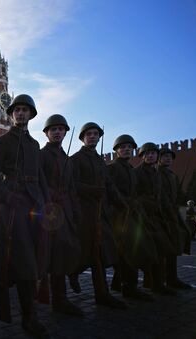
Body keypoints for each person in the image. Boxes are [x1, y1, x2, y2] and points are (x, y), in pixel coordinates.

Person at [0, 94, 49, 335]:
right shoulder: (2, 143)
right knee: (25, 263)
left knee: (32, 258)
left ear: (31, 114)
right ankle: (28, 318)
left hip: (34, 209)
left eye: (25, 110)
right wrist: (6, 197)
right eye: (17, 110)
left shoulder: (34, 146)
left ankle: (2, 283)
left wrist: (46, 204)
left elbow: (40, 178)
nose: (21, 114)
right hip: (12, 209)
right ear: (11, 114)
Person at [70, 123, 127, 309]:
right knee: (88, 252)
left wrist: (122, 203)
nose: (92, 137)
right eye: (89, 134)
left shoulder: (99, 160)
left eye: (95, 134)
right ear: (82, 137)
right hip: (85, 214)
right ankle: (76, 274)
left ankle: (101, 293)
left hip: (100, 213)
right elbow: (72, 185)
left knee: (101, 252)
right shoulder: (76, 159)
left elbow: (108, 185)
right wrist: (92, 190)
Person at [39, 114, 83, 315]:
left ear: (65, 132)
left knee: (65, 252)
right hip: (49, 213)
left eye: (60, 129)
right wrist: (50, 195)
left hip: (65, 210)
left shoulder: (67, 159)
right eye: (53, 129)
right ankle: (58, 298)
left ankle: (60, 296)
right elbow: (38, 183)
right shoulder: (42, 156)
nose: (57, 132)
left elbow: (71, 188)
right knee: (54, 255)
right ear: (47, 133)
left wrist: (74, 211)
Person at [107, 135, 157, 301]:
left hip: (132, 213)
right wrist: (124, 201)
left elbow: (135, 192)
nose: (126, 149)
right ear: (116, 150)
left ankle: (124, 284)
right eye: (122, 147)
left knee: (134, 249)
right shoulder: (112, 168)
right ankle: (128, 287)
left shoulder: (130, 169)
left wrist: (135, 202)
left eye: (129, 147)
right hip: (119, 215)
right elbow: (110, 190)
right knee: (128, 250)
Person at [134, 142, 178, 296]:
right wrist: (145, 206)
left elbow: (161, 196)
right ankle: (153, 283)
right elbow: (135, 195)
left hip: (157, 216)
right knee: (150, 251)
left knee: (160, 249)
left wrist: (168, 212)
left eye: (153, 153)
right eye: (147, 153)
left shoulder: (157, 173)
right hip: (143, 217)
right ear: (142, 156)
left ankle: (156, 282)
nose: (151, 156)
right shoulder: (137, 172)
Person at [158, 147, 193, 289]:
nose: (167, 158)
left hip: (172, 213)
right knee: (162, 248)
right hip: (160, 214)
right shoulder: (156, 173)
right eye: (164, 156)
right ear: (159, 158)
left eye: (169, 157)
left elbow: (175, 195)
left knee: (174, 245)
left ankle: (172, 278)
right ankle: (160, 280)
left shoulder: (172, 175)